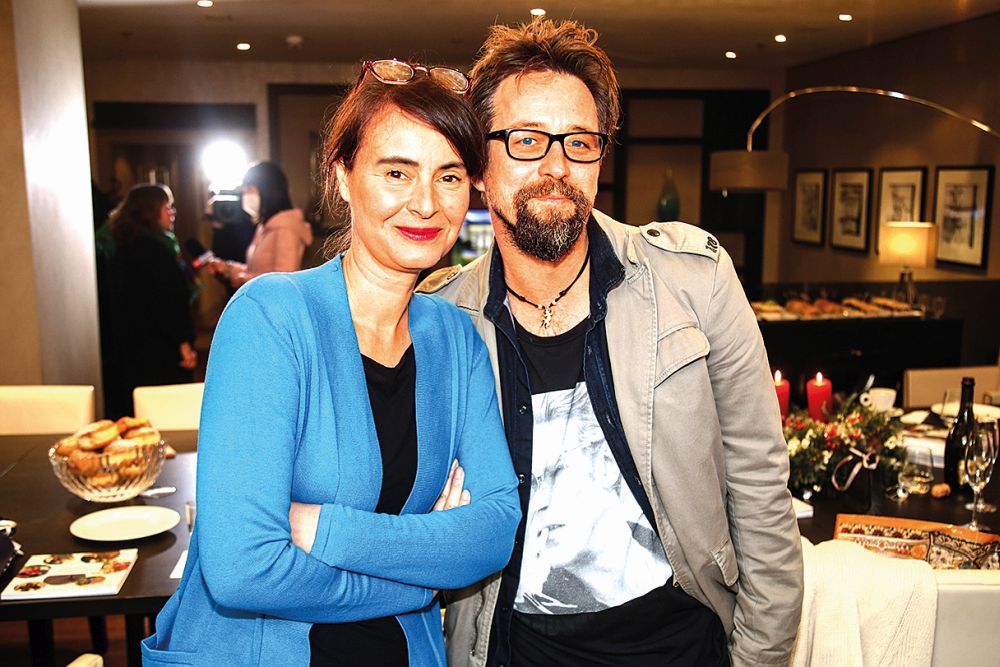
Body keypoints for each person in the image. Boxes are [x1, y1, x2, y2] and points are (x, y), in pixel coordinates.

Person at [420, 20, 803, 667]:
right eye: (526, 140)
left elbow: (761, 485)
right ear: (478, 166)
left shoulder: (694, 279)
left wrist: (759, 658)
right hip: (512, 649)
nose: (556, 166)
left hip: (681, 646)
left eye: (579, 142)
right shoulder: (440, 321)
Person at [141, 60, 520, 666]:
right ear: (342, 176)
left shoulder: (458, 340)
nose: (426, 202)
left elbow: (494, 530)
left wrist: (322, 528)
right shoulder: (270, 317)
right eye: (396, 172)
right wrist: (418, 575)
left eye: (449, 176)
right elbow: (242, 569)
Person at [101, 184, 197, 418]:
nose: (172, 212)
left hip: (129, 349)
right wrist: (184, 343)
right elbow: (168, 303)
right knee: (167, 413)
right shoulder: (156, 250)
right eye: (167, 207)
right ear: (151, 211)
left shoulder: (121, 246)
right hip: (159, 351)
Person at [207, 160, 314, 288]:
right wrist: (228, 269)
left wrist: (242, 279)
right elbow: (256, 270)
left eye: (250, 189)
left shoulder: (286, 229)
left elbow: (282, 284)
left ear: (268, 191)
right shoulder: (265, 225)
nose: (245, 195)